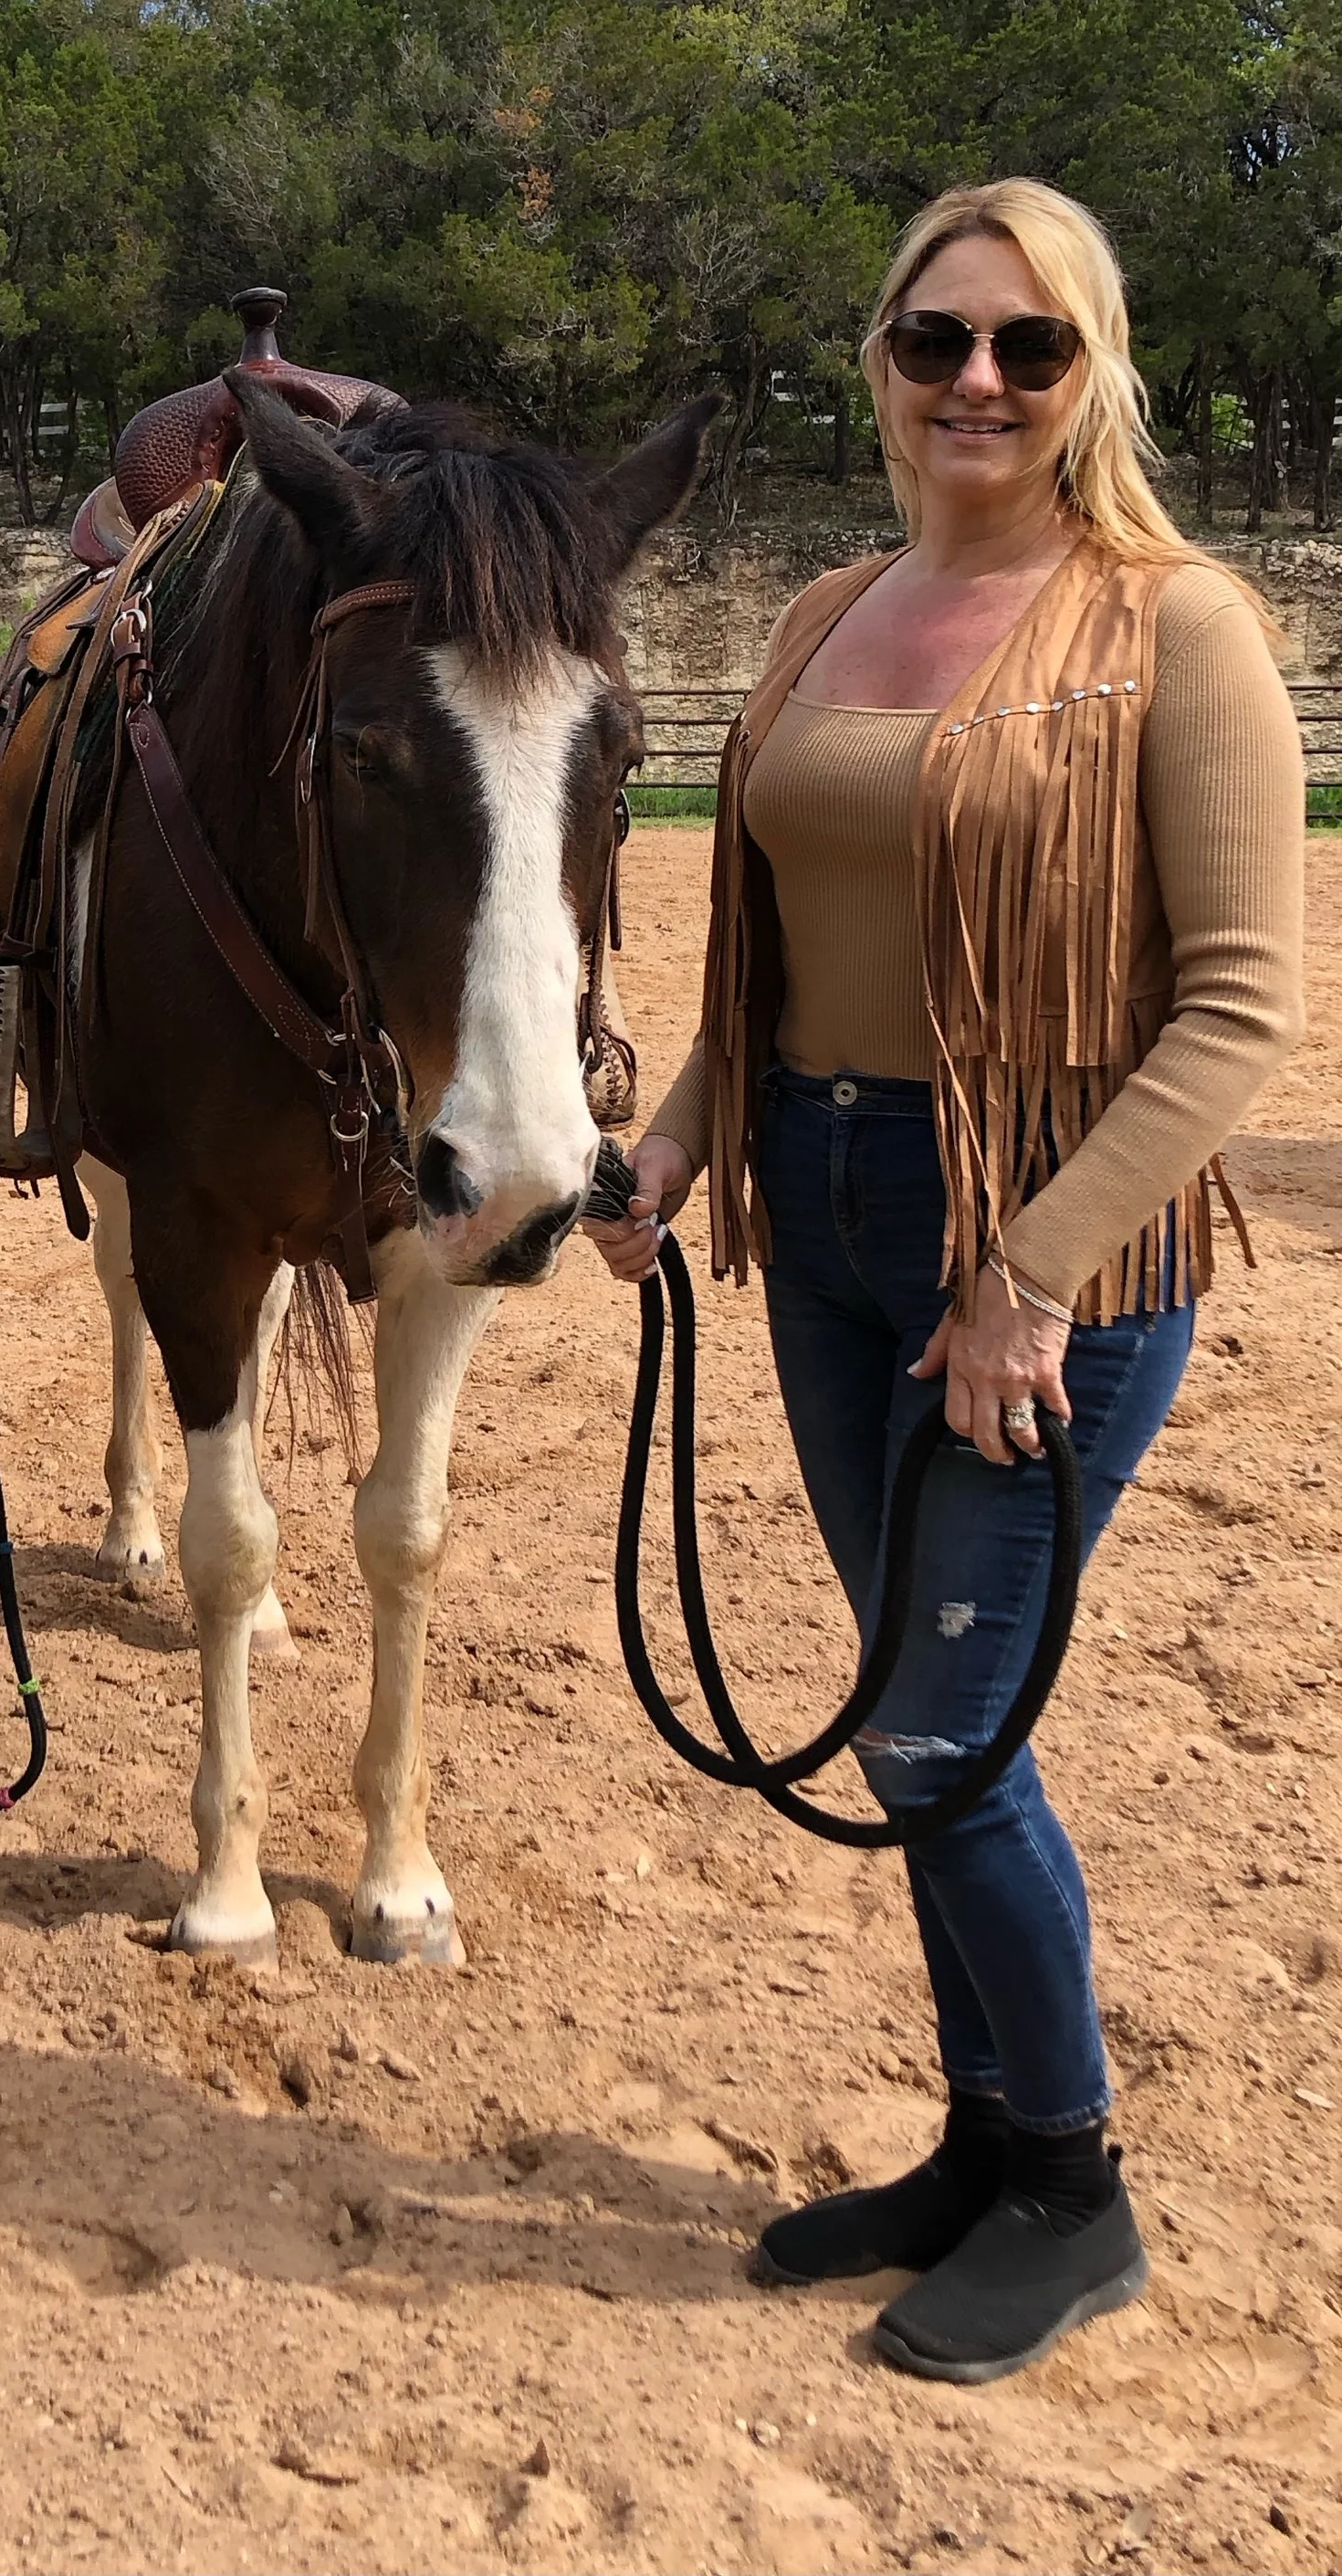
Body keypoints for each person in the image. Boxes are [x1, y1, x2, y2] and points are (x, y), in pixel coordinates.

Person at [587, 178, 1304, 2381]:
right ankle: (981, 2138)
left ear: (1088, 372)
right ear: (876, 364)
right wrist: (685, 1135)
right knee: (910, 1702)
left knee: (938, 1732)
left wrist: (1027, 1281)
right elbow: (771, 944)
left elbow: (1238, 1005)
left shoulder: (1172, 626)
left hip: (1035, 1237)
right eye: (932, 340)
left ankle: (1073, 2190)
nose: (973, 380)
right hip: (808, 1210)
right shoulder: (823, 608)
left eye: (1024, 345)